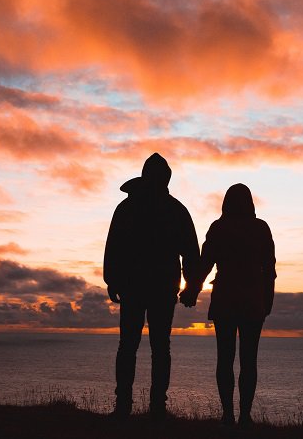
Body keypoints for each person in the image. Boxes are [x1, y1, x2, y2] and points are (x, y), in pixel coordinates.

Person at [104, 153, 202, 420]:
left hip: (137, 286)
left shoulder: (129, 208)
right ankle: (153, 406)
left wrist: (112, 279)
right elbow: (191, 253)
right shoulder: (175, 209)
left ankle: (129, 406)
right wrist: (191, 286)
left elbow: (114, 247)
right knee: (157, 347)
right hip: (157, 286)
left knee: (131, 345)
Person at [180, 183, 276, 427]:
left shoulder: (219, 227)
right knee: (248, 360)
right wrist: (267, 301)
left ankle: (229, 415)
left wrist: (191, 290)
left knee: (225, 359)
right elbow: (270, 271)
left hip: (226, 301)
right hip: (253, 302)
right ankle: (243, 416)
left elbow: (204, 265)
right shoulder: (260, 228)